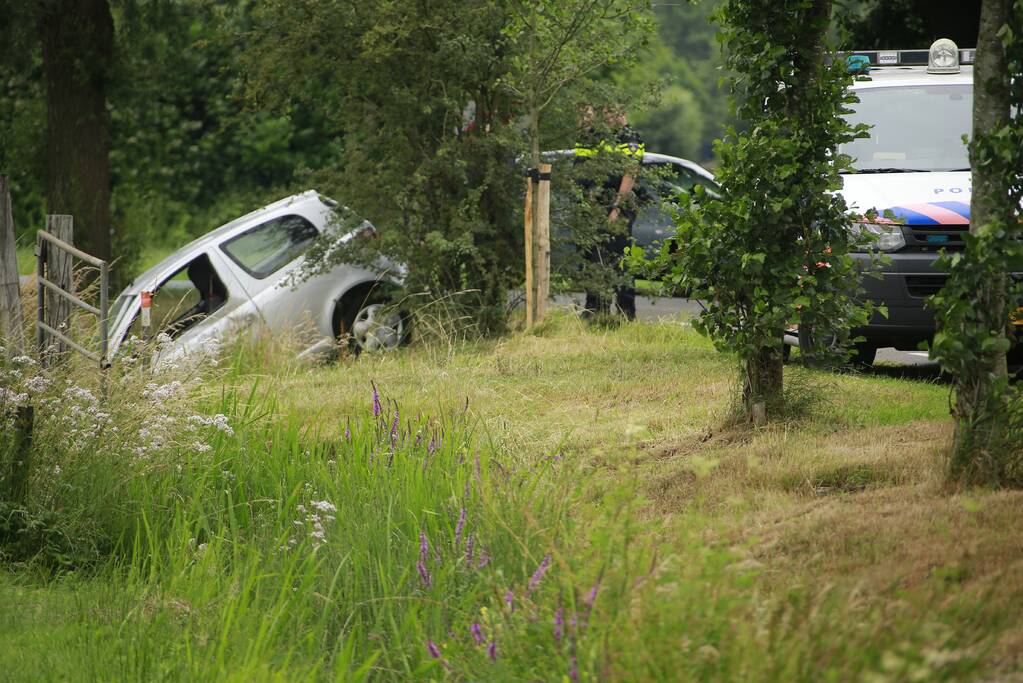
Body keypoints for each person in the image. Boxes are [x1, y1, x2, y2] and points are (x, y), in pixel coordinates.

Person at [574, 107, 645, 320]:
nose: (609, 116)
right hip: (595, 207)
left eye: (613, 112)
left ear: (623, 114)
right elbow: (588, 172)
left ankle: (626, 313)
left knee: (618, 260)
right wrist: (592, 203)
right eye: (606, 112)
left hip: (618, 208)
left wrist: (616, 208)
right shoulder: (597, 138)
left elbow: (629, 174)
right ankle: (597, 310)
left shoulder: (630, 138)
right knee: (594, 259)